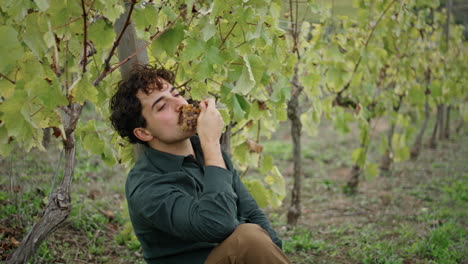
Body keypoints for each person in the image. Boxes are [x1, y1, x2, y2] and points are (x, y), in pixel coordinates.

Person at [109, 65, 292, 264]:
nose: (179, 104)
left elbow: (250, 211)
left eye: (176, 93)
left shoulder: (203, 150)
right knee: (248, 239)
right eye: (162, 106)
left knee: (255, 237)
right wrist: (211, 142)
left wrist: (273, 253)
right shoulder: (145, 186)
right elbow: (218, 224)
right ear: (144, 133)